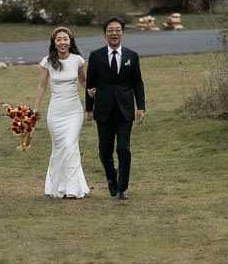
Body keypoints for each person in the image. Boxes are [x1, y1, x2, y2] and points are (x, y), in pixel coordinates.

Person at [85, 15, 146, 200]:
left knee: (123, 149)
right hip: (103, 110)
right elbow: (90, 84)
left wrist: (141, 107)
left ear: (123, 33)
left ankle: (122, 188)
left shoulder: (131, 56)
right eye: (110, 30)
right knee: (105, 153)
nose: (114, 33)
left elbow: (138, 83)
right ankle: (112, 178)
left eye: (118, 30)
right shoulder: (96, 56)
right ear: (104, 34)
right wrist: (89, 108)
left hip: (125, 110)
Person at [30, 26, 90, 199]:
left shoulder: (77, 60)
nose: (62, 42)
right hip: (55, 113)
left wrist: (93, 90)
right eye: (59, 39)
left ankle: (72, 189)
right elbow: (41, 86)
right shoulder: (47, 62)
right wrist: (36, 108)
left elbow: (83, 81)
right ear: (54, 43)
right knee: (59, 149)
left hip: (74, 112)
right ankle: (56, 185)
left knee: (71, 146)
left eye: (65, 39)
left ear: (70, 42)